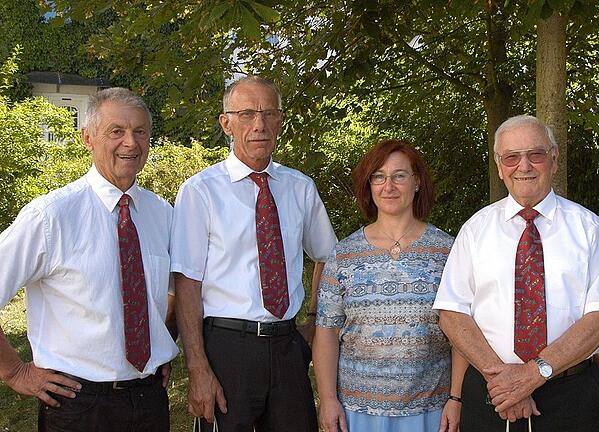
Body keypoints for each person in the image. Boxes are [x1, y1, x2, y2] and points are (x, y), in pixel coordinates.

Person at [433, 115, 599, 432]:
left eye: (535, 155)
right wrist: (504, 381)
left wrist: (532, 374)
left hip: (570, 396)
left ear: (553, 160)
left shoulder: (588, 228)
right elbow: (452, 314)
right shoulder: (475, 230)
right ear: (500, 167)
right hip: (490, 393)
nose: (523, 166)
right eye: (512, 157)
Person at [0, 87, 178, 431]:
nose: (130, 142)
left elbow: (175, 291)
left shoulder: (163, 215)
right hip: (78, 406)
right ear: (88, 138)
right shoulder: (50, 217)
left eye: (140, 131)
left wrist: (161, 341)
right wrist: (14, 371)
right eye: (117, 131)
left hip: (150, 401)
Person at [171, 75, 337, 432]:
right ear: (226, 123)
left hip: (287, 346)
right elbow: (187, 284)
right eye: (246, 114)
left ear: (279, 122)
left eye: (268, 113)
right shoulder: (201, 192)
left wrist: (312, 319)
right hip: (228, 348)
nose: (259, 125)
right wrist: (197, 367)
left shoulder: (299, 187)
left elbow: (328, 257)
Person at [314, 139, 462, 432]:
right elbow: (327, 332)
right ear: (369, 185)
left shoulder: (448, 251)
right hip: (358, 411)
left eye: (399, 176)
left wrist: (456, 397)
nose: (388, 185)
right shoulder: (344, 254)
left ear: (417, 182)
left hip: (430, 409)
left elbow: (461, 333)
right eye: (378, 177)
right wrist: (328, 399)